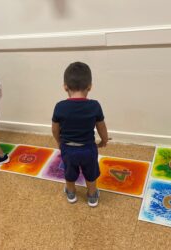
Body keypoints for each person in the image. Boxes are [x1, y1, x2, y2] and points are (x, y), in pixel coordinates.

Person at [52, 62, 108, 207]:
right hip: (88, 149)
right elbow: (101, 127)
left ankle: (71, 193)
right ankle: (92, 196)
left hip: (68, 149)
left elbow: (55, 129)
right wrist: (104, 140)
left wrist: (59, 142)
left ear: (65, 86)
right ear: (90, 86)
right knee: (91, 173)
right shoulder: (95, 105)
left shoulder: (60, 107)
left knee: (70, 172)